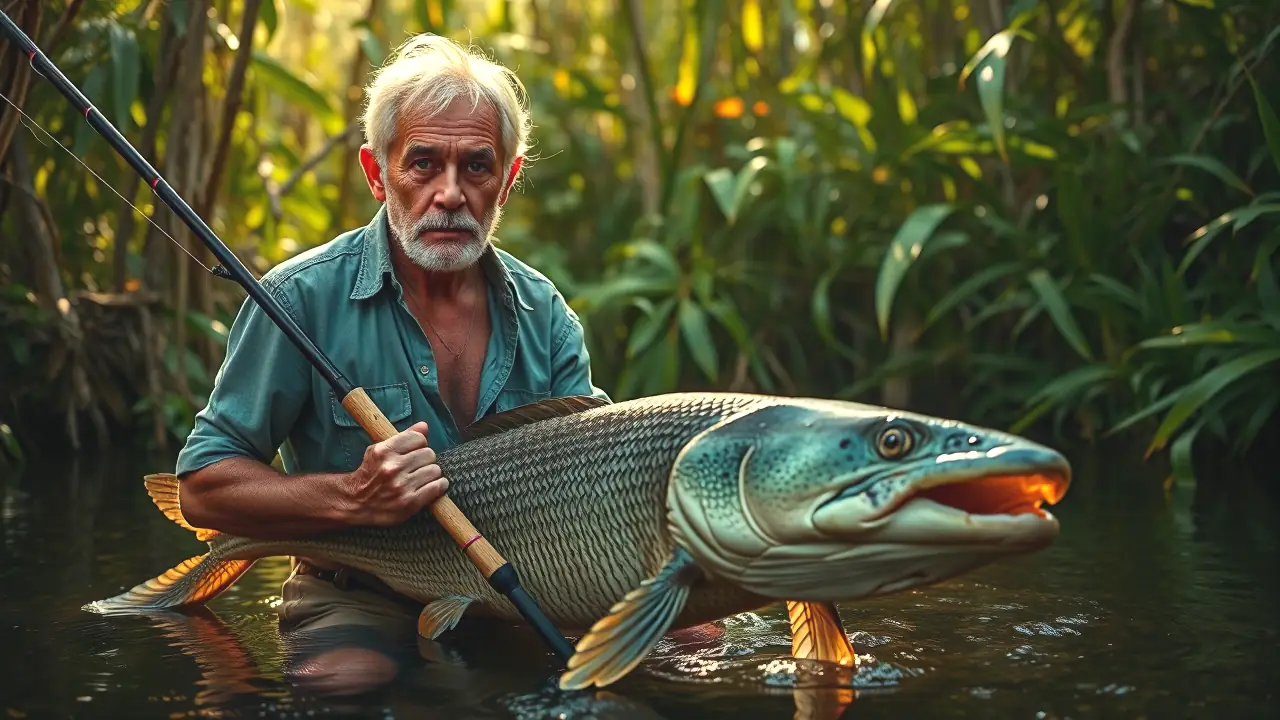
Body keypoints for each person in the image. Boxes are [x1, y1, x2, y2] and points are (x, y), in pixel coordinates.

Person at [170, 33, 610, 695]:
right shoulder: (298, 300)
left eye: (477, 168)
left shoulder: (544, 313)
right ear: (378, 174)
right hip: (356, 589)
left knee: (689, 642)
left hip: (523, 585)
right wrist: (352, 497)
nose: (451, 194)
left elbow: (595, 481)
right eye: (423, 165)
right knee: (345, 682)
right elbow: (203, 488)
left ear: (508, 181)